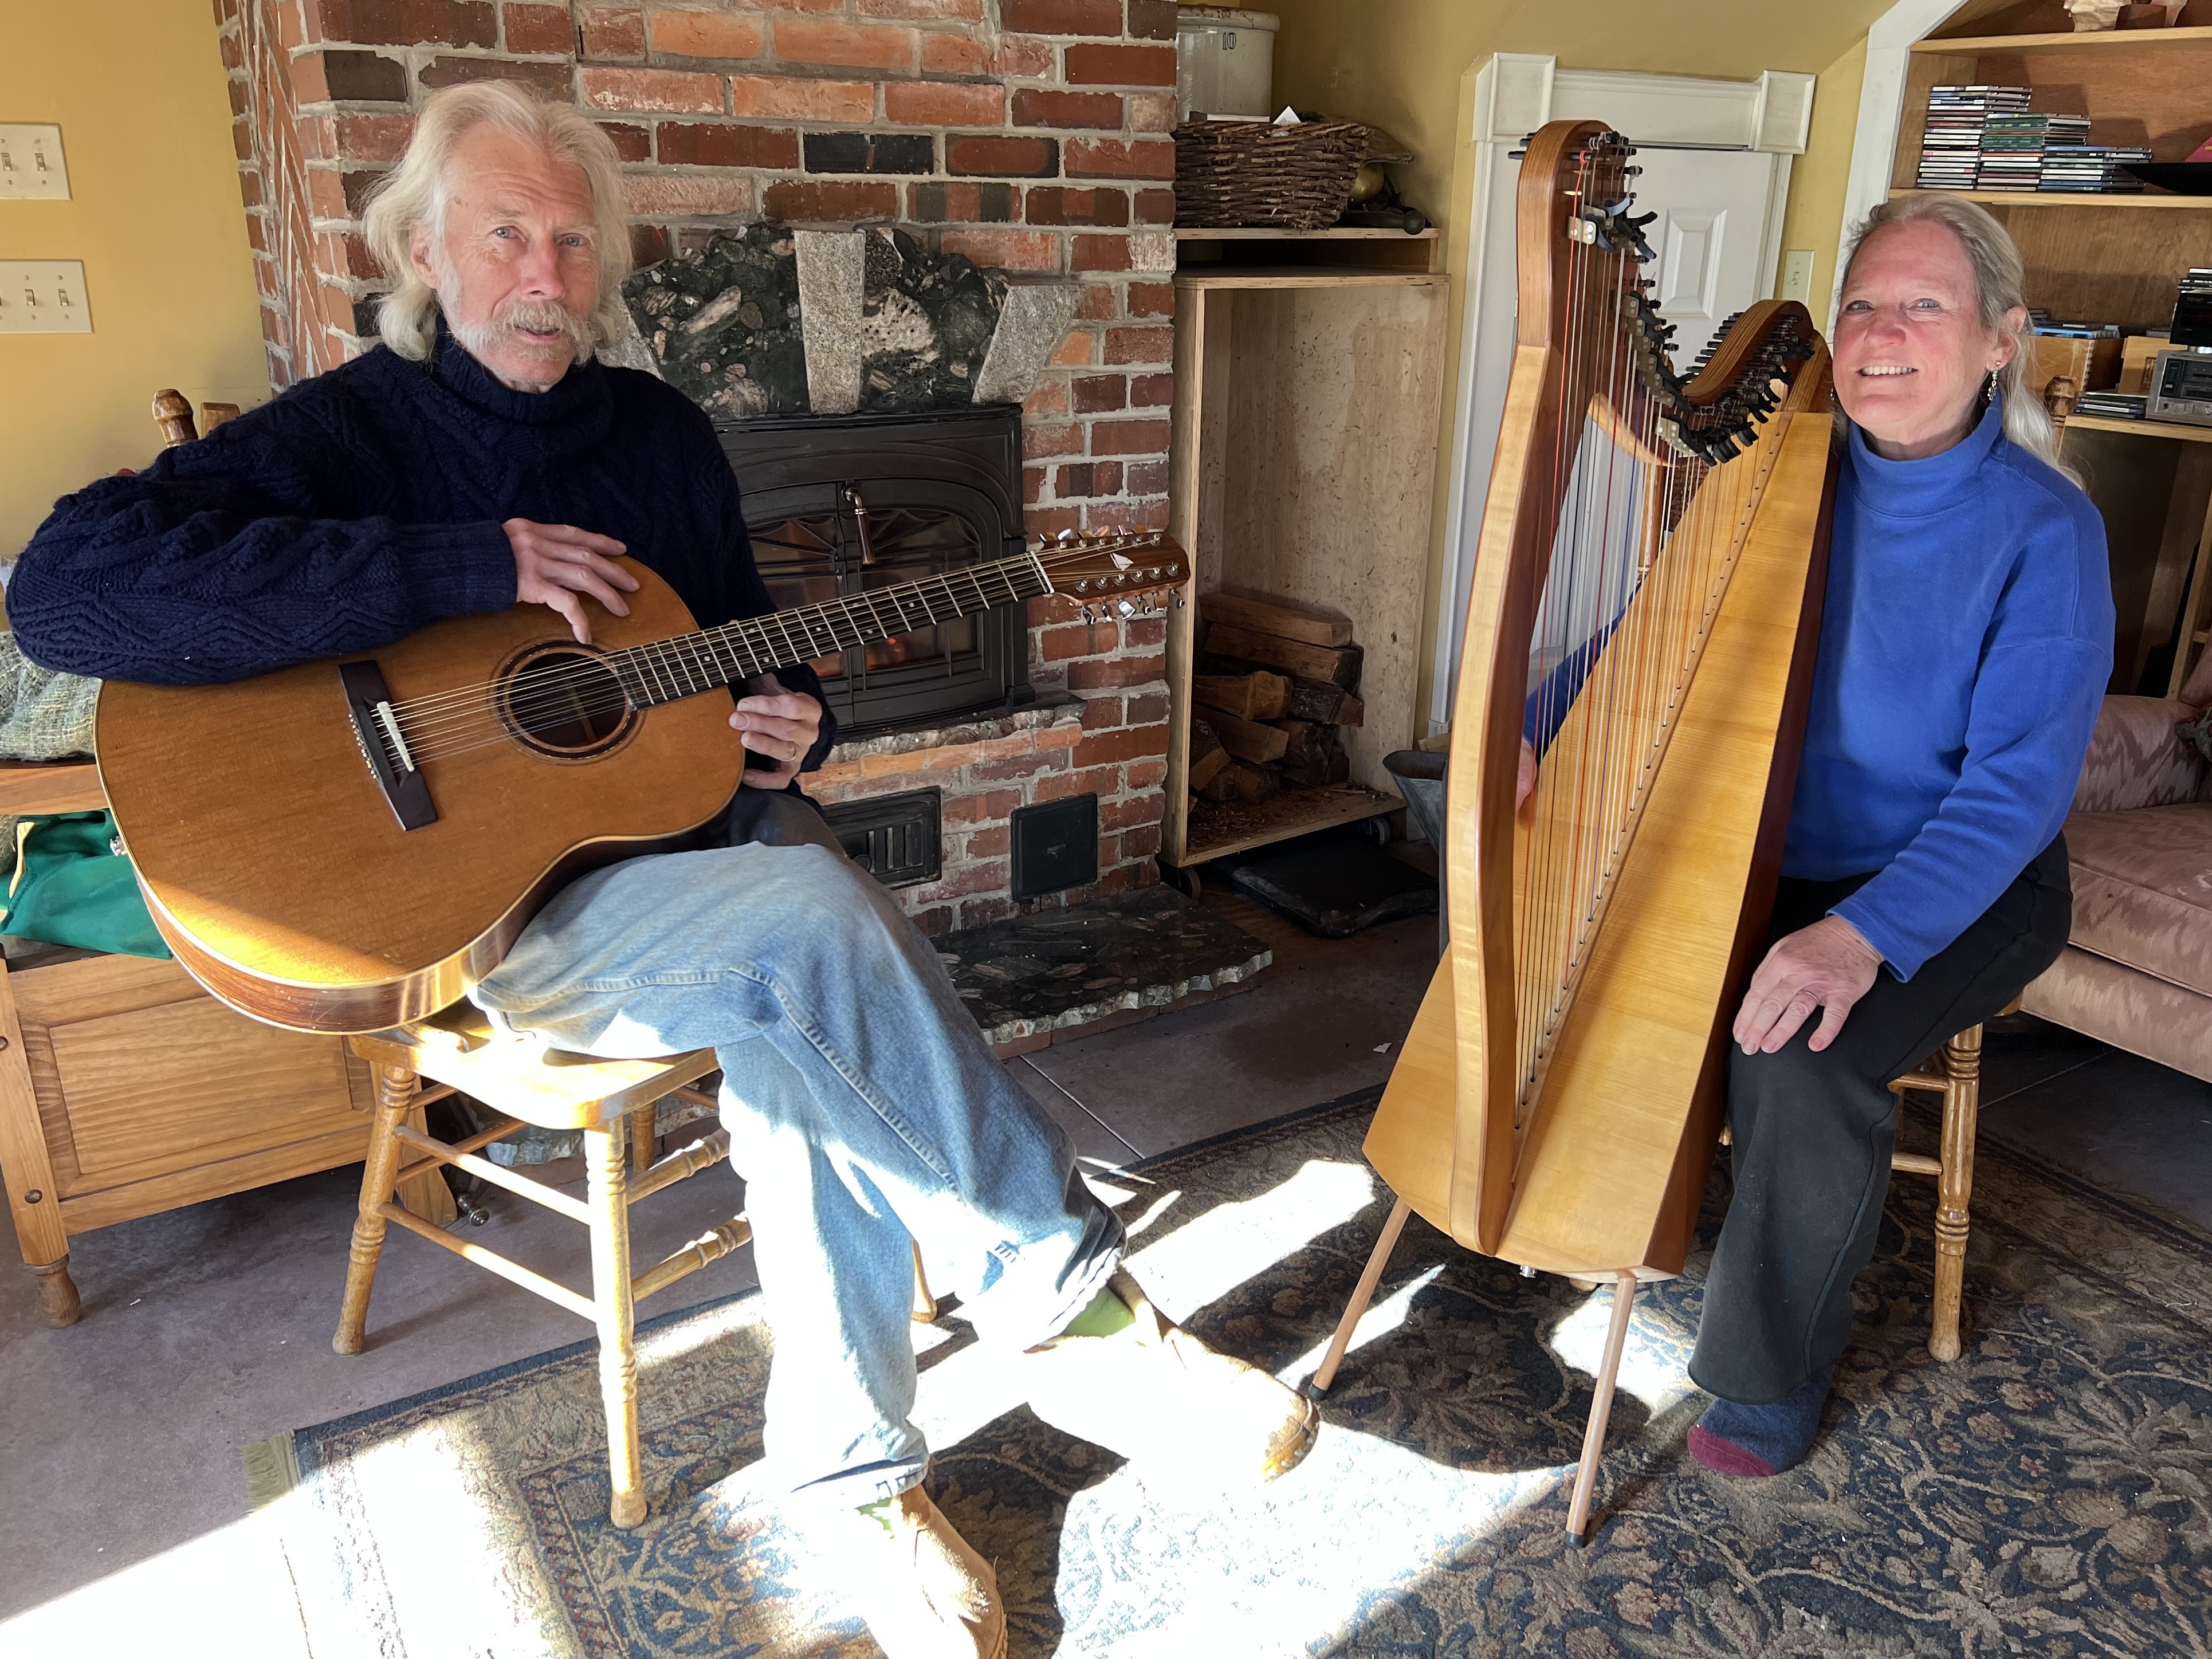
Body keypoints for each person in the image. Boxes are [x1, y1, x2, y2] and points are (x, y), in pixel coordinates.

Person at [6, 82, 1315, 1657]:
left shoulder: (660, 436)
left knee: (797, 1041)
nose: (544, 272)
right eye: (505, 235)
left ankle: (855, 1491)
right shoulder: (345, 432)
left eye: (570, 239)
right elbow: (67, 591)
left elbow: (724, 643)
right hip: (503, 913)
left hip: (702, 847)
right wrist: (464, 563)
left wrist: (788, 715)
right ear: (425, 246)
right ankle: (1072, 1305)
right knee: (813, 925)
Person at [1519, 192, 2111, 1477]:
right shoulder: (1776, 473)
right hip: (1773, 845)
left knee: (1799, 1054)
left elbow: (2014, 791)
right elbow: (1646, 631)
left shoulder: (2042, 531)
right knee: (1594, 931)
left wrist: (1857, 938)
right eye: (1859, 304)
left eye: (1922, 305)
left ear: (2000, 338)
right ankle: (1588, 1200)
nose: (1880, 332)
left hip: (1962, 872)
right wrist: (1533, 723)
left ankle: (1768, 1365)